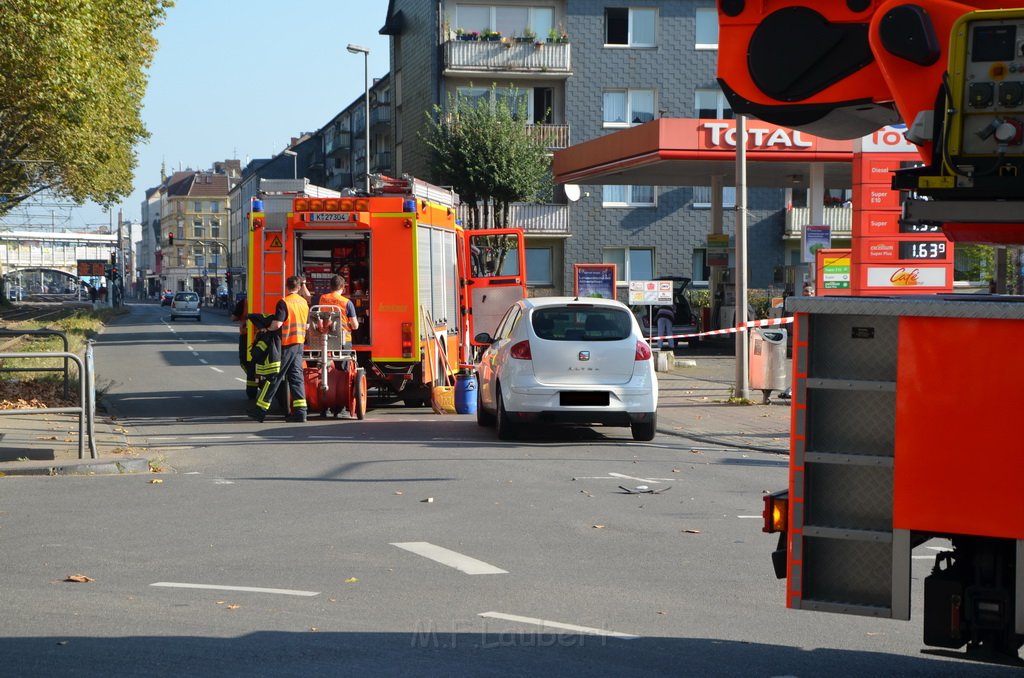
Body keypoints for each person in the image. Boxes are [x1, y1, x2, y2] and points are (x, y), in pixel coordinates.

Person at [249, 275, 311, 423]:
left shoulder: (284, 302)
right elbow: (307, 326)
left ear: (287, 286)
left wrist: (267, 329)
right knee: (296, 379)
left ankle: (260, 411)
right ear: (298, 287)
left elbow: (277, 324)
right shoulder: (304, 303)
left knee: (274, 377)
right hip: (299, 344)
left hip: (286, 345)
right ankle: (301, 413)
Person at [316, 275, 359, 346]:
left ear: (330, 286)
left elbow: (308, 298)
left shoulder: (322, 298)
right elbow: (355, 326)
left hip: (326, 339)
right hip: (344, 339)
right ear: (343, 287)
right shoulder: (347, 302)